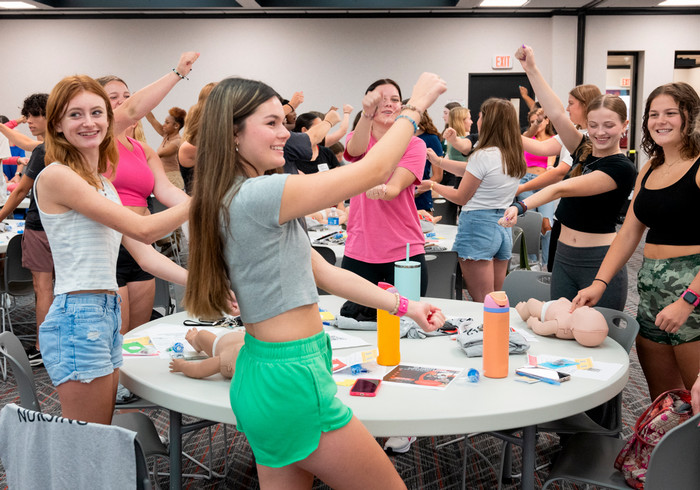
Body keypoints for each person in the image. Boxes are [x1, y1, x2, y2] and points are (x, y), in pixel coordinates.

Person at [185, 72, 446, 489]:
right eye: (270, 123)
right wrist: (415, 107)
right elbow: (374, 168)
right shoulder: (260, 196)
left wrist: (406, 307)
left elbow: (324, 272)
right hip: (291, 379)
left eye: (282, 122)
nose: (284, 134)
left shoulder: (239, 195)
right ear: (233, 133)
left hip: (266, 373)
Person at [38, 75, 190, 424]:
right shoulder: (58, 176)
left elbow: (144, 251)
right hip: (79, 314)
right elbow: (142, 226)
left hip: (103, 312)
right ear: (58, 126)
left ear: (109, 120)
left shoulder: (104, 184)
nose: (89, 122)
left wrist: (198, 282)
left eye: (96, 112)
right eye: (75, 115)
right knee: (89, 442)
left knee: (101, 433)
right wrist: (204, 202)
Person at [573, 82, 700, 402]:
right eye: (654, 114)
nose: (661, 121)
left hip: (693, 290)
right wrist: (599, 282)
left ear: (691, 116)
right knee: (664, 402)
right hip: (651, 288)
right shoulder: (650, 168)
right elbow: (629, 232)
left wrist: (688, 300)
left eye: (671, 113)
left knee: (696, 400)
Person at [500, 45, 636, 311]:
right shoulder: (583, 148)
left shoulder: (622, 168)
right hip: (563, 255)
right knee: (560, 329)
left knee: (594, 335)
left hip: (598, 261)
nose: (600, 132)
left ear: (624, 125)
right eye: (594, 125)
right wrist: (531, 69)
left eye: (609, 126)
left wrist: (520, 205)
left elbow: (561, 189)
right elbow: (557, 113)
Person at [97, 52, 196, 334]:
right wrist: (177, 73)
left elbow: (166, 191)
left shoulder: (142, 149)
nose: (124, 101)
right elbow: (131, 111)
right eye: (113, 96)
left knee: (138, 335)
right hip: (110, 246)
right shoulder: (98, 144)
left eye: (127, 94)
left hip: (143, 243)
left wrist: (204, 207)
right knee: (118, 337)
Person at [341, 78, 429, 320]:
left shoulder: (414, 144)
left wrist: (381, 189)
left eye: (395, 100)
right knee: (360, 325)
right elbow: (356, 151)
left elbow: (394, 187)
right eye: (382, 99)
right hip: (360, 249)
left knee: (404, 325)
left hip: (404, 251)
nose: (389, 104)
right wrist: (366, 116)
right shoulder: (358, 137)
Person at [425, 98, 526, 302]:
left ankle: (487, 334)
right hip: (502, 226)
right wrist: (439, 162)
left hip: (479, 227)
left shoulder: (483, 155)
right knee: (495, 297)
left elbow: (461, 197)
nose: (476, 120)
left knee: (482, 301)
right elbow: (472, 170)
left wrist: (432, 185)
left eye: (479, 116)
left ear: (488, 121)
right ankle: (498, 333)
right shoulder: (512, 155)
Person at [516, 83, 602, 270]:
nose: (567, 108)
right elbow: (541, 148)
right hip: (566, 212)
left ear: (585, 105)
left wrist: (522, 189)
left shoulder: (586, 137)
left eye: (571, 103)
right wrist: (503, 132)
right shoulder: (574, 132)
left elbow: (560, 171)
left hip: (580, 217)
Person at [0, 93, 51, 366]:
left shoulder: (44, 150)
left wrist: (1, 216)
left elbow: (21, 190)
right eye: (27, 116)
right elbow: (27, 142)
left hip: (40, 227)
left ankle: (42, 346)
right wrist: (5, 125)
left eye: (34, 115)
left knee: (42, 288)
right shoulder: (59, 145)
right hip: (57, 226)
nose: (29, 121)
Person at [518, 106, 557, 265]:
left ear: (547, 121)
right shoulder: (527, 138)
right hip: (526, 181)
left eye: (539, 120)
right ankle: (531, 265)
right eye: (533, 121)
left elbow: (551, 159)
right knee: (530, 224)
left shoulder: (553, 139)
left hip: (544, 181)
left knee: (547, 224)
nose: (537, 123)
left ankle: (547, 265)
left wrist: (550, 168)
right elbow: (523, 139)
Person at [169, 328, 245, 380]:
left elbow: (199, 369)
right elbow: (199, 369)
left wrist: (182, 366)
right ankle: (194, 339)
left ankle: (195, 339)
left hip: (223, 342)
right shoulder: (231, 358)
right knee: (201, 335)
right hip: (241, 335)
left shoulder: (229, 359)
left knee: (202, 335)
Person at [146, 106, 188, 189]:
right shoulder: (166, 135)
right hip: (165, 178)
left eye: (167, 123)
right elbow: (152, 120)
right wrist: (142, 105)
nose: (163, 125)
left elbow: (157, 155)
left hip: (173, 180)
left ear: (176, 125)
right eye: (164, 122)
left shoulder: (177, 142)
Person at [413, 109, 443, 213]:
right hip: (396, 197)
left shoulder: (431, 139)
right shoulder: (397, 138)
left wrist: (416, 190)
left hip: (421, 198)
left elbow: (438, 176)